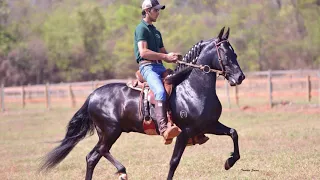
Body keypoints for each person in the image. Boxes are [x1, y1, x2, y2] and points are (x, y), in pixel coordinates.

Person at [134, 0, 181, 143]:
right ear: (147, 11)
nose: (158, 12)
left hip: (160, 66)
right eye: (156, 10)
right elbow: (143, 52)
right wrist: (165, 56)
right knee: (160, 92)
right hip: (147, 67)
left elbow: (162, 52)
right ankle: (163, 129)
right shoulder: (141, 28)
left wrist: (172, 57)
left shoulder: (156, 31)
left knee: (179, 86)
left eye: (159, 10)